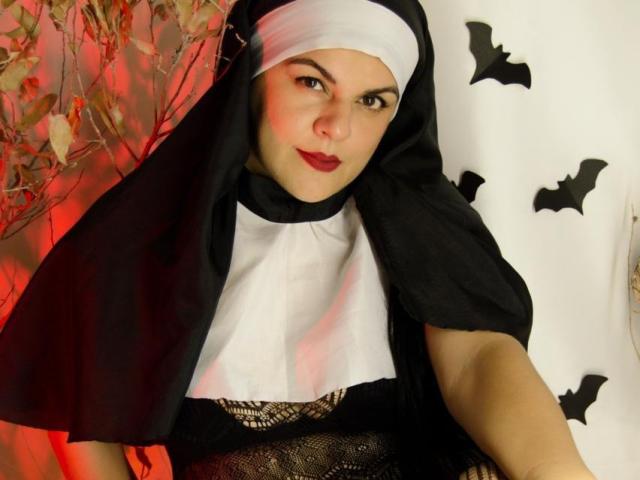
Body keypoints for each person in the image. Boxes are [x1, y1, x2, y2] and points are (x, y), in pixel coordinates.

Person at [0, 0, 596, 479]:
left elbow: (479, 360)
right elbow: (81, 428)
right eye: (312, 82)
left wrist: (557, 470)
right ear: (252, 81)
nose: (337, 127)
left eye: (372, 101)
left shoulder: (417, 224)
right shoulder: (141, 241)